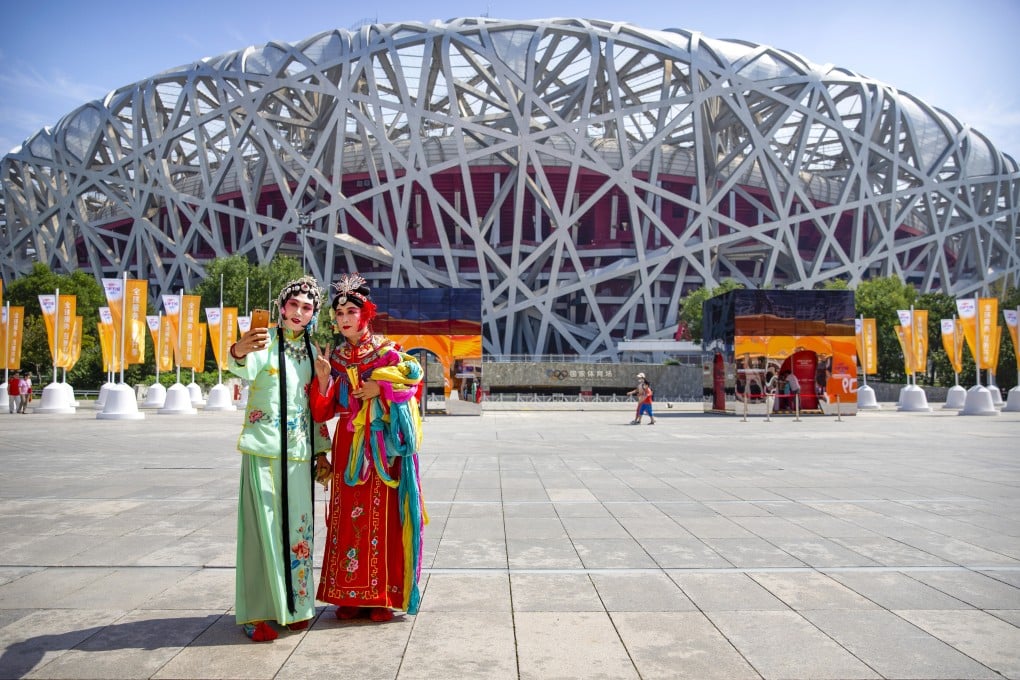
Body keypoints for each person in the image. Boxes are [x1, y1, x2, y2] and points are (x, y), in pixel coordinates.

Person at [310, 273, 426, 623]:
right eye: (339, 313)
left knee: (381, 516)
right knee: (346, 519)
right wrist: (322, 377)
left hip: (379, 446)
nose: (344, 318)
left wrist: (382, 390)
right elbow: (321, 411)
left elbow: (413, 392)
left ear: (366, 315)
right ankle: (347, 595)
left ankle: (380, 596)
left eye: (350, 311)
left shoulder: (388, 352)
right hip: (347, 444)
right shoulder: (335, 357)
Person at [227, 275, 331, 642]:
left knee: (299, 529)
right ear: (281, 307)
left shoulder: (314, 352)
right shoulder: (263, 341)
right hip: (264, 449)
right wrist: (238, 350)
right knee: (264, 531)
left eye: (307, 307)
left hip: (299, 455)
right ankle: (257, 613)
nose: (299, 312)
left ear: (314, 313)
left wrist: (321, 451)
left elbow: (314, 407)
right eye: (294, 305)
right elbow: (240, 368)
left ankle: (295, 606)